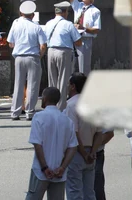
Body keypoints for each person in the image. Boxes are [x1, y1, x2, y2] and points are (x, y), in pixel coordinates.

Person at [26, 87, 78, 200]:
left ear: (44, 99)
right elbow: (73, 147)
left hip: (40, 171)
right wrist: (63, 167)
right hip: (59, 172)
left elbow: (37, 145)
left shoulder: (39, 117)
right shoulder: (67, 120)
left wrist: (45, 167)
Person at [64, 72, 102, 200]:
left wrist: (83, 153)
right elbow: (99, 132)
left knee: (75, 191)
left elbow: (73, 133)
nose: (68, 87)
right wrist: (92, 151)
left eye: (69, 84)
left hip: (76, 152)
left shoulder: (71, 105)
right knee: (89, 192)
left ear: (73, 86)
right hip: (91, 151)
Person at [8, 0, 47, 121]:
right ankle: (29, 112)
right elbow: (43, 45)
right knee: (32, 85)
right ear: (33, 14)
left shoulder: (15, 24)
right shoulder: (36, 27)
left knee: (18, 84)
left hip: (19, 57)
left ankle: (15, 112)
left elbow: (10, 43)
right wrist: (39, 56)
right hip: (33, 57)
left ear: (21, 13)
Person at [45, 1, 82, 111]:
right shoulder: (68, 24)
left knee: (52, 80)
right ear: (65, 12)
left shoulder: (48, 23)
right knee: (63, 80)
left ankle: (51, 105)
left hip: (50, 50)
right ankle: (60, 108)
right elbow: (78, 42)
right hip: (64, 51)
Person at [66, 0, 101, 76]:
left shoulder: (95, 11)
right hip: (73, 40)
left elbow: (97, 29)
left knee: (84, 70)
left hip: (85, 40)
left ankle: (84, 91)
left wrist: (84, 28)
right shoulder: (78, 6)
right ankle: (70, 91)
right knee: (70, 68)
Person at [92, 130, 114, 200]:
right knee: (75, 190)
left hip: (96, 154)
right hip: (75, 155)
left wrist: (92, 147)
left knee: (97, 187)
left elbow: (109, 134)